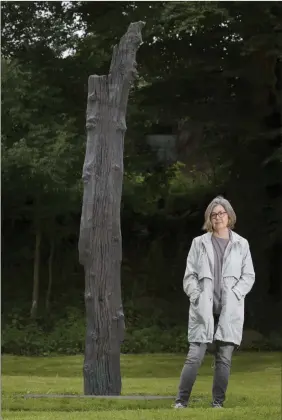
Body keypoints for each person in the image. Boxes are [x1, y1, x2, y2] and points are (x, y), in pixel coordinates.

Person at [174, 196, 255, 409]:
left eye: (222, 213)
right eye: (214, 214)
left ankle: (217, 403)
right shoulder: (198, 243)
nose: (218, 217)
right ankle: (181, 401)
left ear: (229, 216)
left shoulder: (241, 244)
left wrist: (237, 293)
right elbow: (189, 275)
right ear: (209, 218)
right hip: (204, 308)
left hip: (230, 309)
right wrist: (196, 295)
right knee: (194, 356)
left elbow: (249, 276)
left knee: (224, 359)